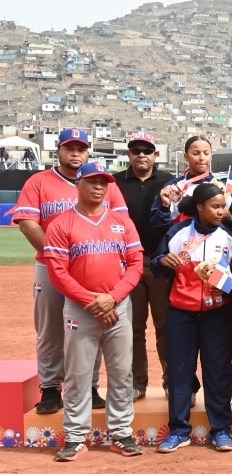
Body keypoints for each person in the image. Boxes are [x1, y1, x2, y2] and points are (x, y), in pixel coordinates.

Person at [12, 128, 125, 414]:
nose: (76, 153)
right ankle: (50, 388)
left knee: (94, 324)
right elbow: (27, 223)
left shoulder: (104, 183)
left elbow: (120, 224)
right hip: (49, 267)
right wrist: (58, 258)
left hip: (92, 268)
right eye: (69, 148)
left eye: (81, 148)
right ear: (58, 151)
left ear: (88, 151)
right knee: (50, 329)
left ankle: (89, 386)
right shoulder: (38, 181)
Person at [42, 162, 143, 461]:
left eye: (104, 182)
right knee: (78, 374)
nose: (99, 187)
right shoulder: (62, 224)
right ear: (78, 184)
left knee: (122, 372)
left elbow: (136, 264)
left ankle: (122, 433)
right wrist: (92, 301)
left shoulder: (121, 222)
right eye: (92, 181)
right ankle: (75, 436)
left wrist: (111, 298)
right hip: (81, 307)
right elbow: (57, 273)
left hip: (117, 305)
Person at [151, 183, 232, 453]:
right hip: (181, 314)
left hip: (216, 314)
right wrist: (164, 261)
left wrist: (223, 285)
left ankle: (221, 429)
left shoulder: (228, 236)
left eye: (223, 206)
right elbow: (157, 263)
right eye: (215, 206)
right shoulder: (177, 232)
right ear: (200, 207)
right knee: (180, 372)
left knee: (218, 371)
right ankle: (178, 430)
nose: (221, 211)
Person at [112, 131, 174, 401]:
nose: (141, 155)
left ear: (155, 154)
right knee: (133, 328)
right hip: (127, 264)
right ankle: (138, 383)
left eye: (146, 150)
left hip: (160, 262)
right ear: (128, 154)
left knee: (166, 327)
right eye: (135, 150)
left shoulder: (168, 182)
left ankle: (172, 382)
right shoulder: (115, 183)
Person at [151, 136, 232, 233]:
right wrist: (164, 207)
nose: (202, 158)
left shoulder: (224, 188)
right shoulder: (173, 187)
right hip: (181, 245)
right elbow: (157, 226)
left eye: (206, 153)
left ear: (211, 156)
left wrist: (229, 218)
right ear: (185, 156)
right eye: (196, 153)